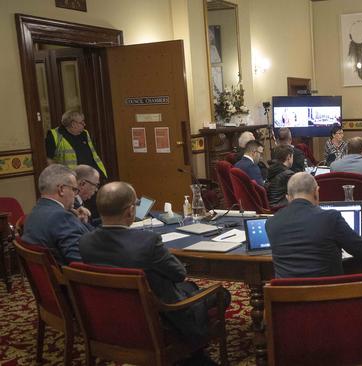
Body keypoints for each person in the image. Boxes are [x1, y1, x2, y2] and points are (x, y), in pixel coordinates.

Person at [79, 182, 231, 350]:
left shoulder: (85, 242)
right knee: (221, 293)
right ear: (130, 211)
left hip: (110, 317)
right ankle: (192, 351)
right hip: (160, 316)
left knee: (189, 286)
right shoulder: (147, 242)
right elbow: (179, 273)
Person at [266, 172, 362, 278]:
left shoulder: (271, 223)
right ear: (316, 192)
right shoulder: (330, 218)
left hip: (287, 301)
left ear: (288, 197)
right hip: (328, 300)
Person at [22, 164, 92, 264]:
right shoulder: (62, 218)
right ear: (61, 189)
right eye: (74, 190)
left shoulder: (33, 214)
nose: (75, 195)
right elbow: (79, 263)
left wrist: (77, 222)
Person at [45, 110, 107, 178]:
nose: (84, 124)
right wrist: (56, 177)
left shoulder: (85, 133)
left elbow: (93, 155)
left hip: (91, 175)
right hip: (71, 178)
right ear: (73, 124)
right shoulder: (55, 135)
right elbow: (50, 160)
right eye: (82, 122)